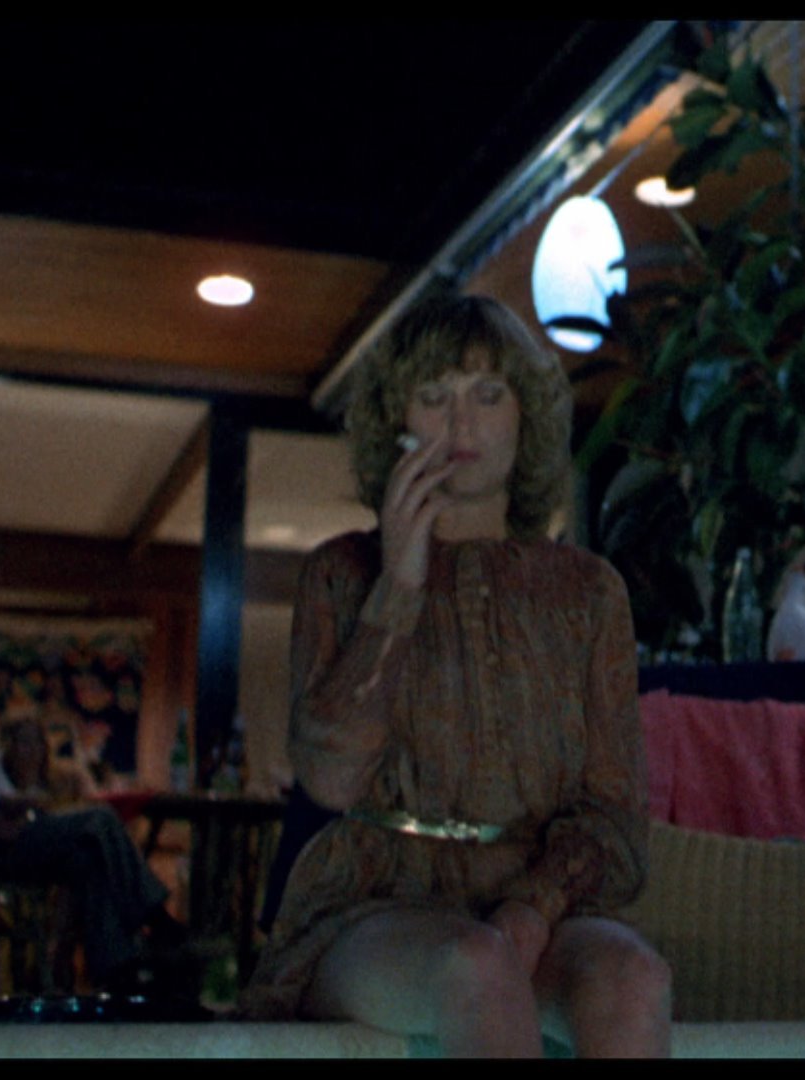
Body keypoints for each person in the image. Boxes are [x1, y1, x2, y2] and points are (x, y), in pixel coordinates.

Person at [237, 294, 671, 1058]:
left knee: (632, 975)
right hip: (373, 904)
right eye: (434, 395)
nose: (462, 423)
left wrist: (534, 907)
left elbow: (616, 816)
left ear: (525, 416)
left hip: (540, 897)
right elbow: (330, 781)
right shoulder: (340, 572)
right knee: (476, 965)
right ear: (396, 420)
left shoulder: (588, 592)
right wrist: (399, 585)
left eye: (488, 394)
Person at [0, 635, 189, 996]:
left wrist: (19, 806)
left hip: (3, 833)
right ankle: (153, 915)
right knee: (99, 820)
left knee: (88, 858)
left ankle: (116, 969)